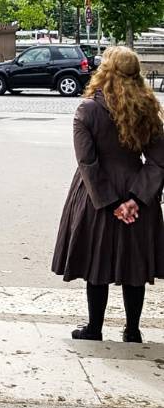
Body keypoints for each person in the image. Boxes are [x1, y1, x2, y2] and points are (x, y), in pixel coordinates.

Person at [52, 47, 164, 342]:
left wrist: (111, 202)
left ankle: (94, 328)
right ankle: (132, 329)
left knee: (96, 263)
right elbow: (158, 161)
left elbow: (87, 162)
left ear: (105, 71)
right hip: (137, 189)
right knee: (134, 265)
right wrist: (137, 199)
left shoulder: (88, 109)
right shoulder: (148, 109)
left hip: (95, 196)